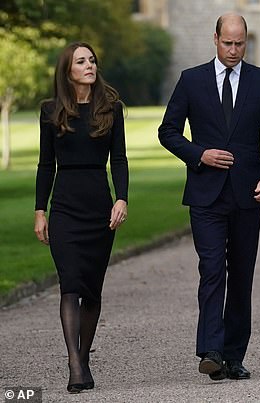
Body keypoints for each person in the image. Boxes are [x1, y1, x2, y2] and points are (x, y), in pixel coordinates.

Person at [158, 13, 260, 381]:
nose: (233, 50)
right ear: (215, 39)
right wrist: (200, 155)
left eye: (240, 43)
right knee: (212, 270)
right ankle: (211, 350)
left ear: (247, 41)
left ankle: (233, 356)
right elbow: (168, 131)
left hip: (248, 194)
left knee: (241, 276)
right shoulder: (191, 80)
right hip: (205, 194)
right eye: (227, 43)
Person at [34, 42, 128, 393]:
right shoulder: (50, 111)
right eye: (81, 61)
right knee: (70, 284)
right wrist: (39, 210)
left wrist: (122, 198)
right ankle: (75, 365)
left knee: (91, 289)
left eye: (92, 60)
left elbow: (119, 159)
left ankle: (83, 357)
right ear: (68, 70)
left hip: (99, 209)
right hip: (65, 209)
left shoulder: (111, 109)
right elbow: (46, 166)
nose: (89, 65)